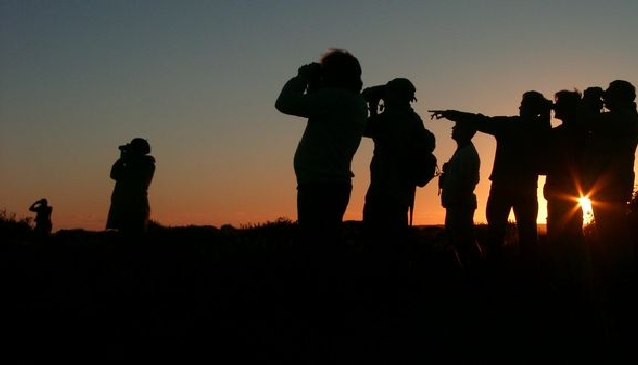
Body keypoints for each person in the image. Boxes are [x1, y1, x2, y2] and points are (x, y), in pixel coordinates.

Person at [430, 91, 552, 260]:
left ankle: (492, 273)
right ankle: (530, 274)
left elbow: (480, 120)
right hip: (527, 188)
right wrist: (546, 114)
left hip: (502, 187)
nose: (519, 107)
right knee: (528, 234)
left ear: (528, 108)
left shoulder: (510, 125)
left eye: (523, 104)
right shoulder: (542, 129)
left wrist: (452, 114)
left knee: (495, 234)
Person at [274, 48, 366, 254]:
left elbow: (285, 103)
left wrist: (302, 77)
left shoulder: (336, 98)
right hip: (330, 183)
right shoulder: (351, 100)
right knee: (325, 244)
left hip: (320, 185)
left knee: (316, 247)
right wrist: (316, 83)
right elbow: (317, 103)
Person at [361, 78, 433, 250]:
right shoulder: (414, 118)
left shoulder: (391, 118)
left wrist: (371, 105)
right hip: (403, 192)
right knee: (396, 243)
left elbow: (365, 127)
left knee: (377, 244)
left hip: (383, 190)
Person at [438, 122, 481, 275]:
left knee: (464, 242)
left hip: (460, 204)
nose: (453, 129)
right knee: (461, 241)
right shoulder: (463, 152)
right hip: (457, 203)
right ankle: (472, 273)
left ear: (464, 132)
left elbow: (467, 181)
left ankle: (475, 274)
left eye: (457, 127)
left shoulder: (467, 153)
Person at [106, 138, 156, 236]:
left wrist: (127, 160)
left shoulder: (148, 163)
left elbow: (135, 177)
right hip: (122, 202)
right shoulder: (128, 162)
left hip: (136, 203)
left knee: (135, 234)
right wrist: (122, 160)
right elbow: (114, 174)